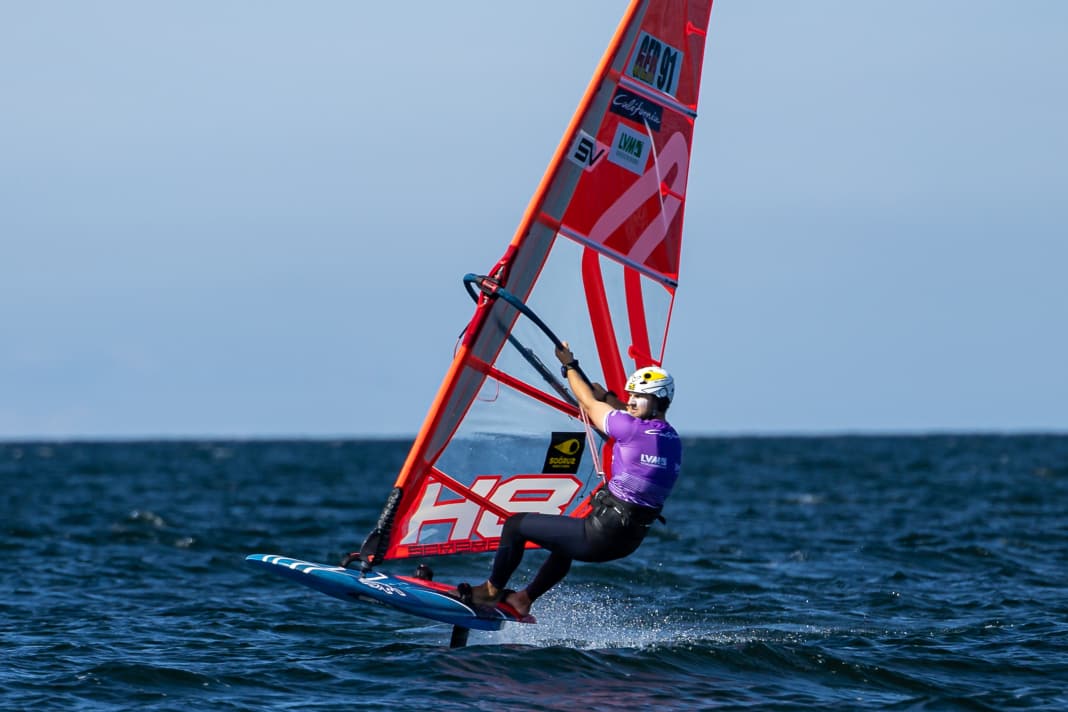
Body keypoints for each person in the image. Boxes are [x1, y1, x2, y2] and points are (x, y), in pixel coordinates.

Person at [456, 342, 682, 617]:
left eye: (639, 397)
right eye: (631, 395)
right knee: (565, 543)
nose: (632, 401)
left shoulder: (629, 428)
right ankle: (523, 599)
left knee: (516, 525)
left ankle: (490, 592)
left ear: (658, 401)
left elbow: (587, 402)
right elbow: (631, 414)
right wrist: (611, 398)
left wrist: (569, 365)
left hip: (602, 532)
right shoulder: (672, 439)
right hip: (628, 540)